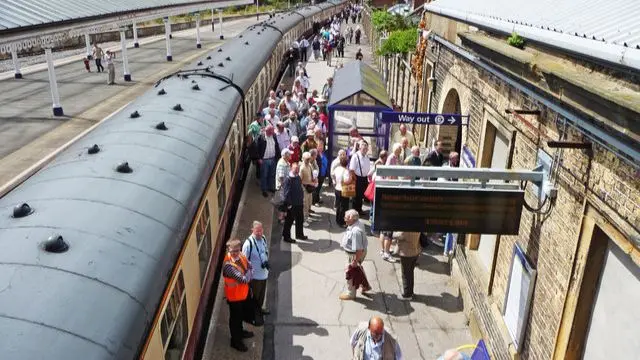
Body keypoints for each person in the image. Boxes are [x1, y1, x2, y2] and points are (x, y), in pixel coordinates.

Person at [222, 239, 255, 352]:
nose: (235, 252)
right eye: (233, 251)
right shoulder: (229, 266)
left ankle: (240, 333)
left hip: (242, 295)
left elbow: (250, 266)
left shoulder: (241, 255)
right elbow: (244, 279)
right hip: (234, 298)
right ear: (228, 250)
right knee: (235, 320)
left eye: (237, 250)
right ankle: (235, 341)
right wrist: (249, 273)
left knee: (240, 317)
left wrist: (249, 272)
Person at [339, 210, 369, 300]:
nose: (344, 219)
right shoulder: (357, 223)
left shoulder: (356, 232)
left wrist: (355, 261)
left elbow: (359, 249)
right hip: (356, 253)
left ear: (352, 218)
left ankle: (351, 293)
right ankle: (365, 285)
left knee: (350, 272)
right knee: (358, 269)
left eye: (346, 217)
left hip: (354, 255)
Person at [242, 221, 270, 316]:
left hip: (264, 274)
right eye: (257, 231)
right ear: (252, 230)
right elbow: (244, 261)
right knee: (254, 297)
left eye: (261, 230)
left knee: (261, 296)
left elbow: (264, 251)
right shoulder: (248, 244)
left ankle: (259, 310)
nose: (259, 233)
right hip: (255, 277)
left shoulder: (263, 238)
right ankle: (252, 314)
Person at [282, 163, 308, 243]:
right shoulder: (288, 179)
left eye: (298, 169)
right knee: (289, 221)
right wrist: (289, 204)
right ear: (291, 168)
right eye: (295, 168)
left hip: (299, 203)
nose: (297, 170)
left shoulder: (298, 177)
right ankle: (286, 237)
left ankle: (299, 234)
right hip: (292, 204)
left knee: (300, 219)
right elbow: (286, 193)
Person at [394, 232, 421, 299]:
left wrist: (393, 233)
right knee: (410, 273)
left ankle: (407, 295)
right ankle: (410, 292)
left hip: (406, 253)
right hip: (415, 251)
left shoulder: (407, 228)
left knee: (405, 274)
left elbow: (399, 235)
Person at [255, 125, 281, 197]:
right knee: (264, 175)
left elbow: (276, 146)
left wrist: (278, 157)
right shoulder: (261, 137)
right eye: (271, 131)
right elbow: (256, 149)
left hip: (273, 159)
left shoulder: (274, 136)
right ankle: (264, 189)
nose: (273, 132)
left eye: (273, 131)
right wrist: (259, 159)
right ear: (267, 131)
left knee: (272, 175)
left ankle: (270, 187)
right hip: (264, 160)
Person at [349, 140, 370, 215]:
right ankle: (354, 212)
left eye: (366, 149)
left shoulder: (366, 156)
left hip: (364, 178)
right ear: (360, 148)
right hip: (357, 178)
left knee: (361, 195)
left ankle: (359, 210)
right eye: (364, 149)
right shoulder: (355, 156)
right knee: (356, 196)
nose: (365, 150)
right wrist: (355, 179)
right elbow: (351, 170)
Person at [333, 156, 351, 227]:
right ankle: (342, 222)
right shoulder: (346, 171)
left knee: (338, 205)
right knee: (344, 206)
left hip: (337, 188)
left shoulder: (337, 169)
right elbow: (347, 181)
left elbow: (333, 175)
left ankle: (337, 219)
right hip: (343, 190)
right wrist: (350, 178)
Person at [313, 141, 328, 206]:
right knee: (316, 188)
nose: (321, 147)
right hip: (317, 174)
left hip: (322, 173)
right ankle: (314, 201)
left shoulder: (323, 153)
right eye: (319, 146)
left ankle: (317, 199)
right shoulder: (315, 154)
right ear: (317, 146)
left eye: (322, 146)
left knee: (319, 188)